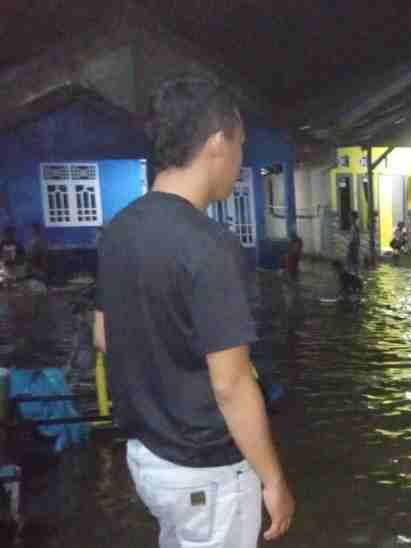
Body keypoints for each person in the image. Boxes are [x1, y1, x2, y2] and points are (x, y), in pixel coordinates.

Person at [94, 75, 294, 548]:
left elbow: (104, 335)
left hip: (148, 459)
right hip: (207, 472)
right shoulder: (210, 246)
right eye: (241, 145)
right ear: (217, 143)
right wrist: (274, 481)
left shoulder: (118, 230)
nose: (241, 161)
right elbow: (231, 384)